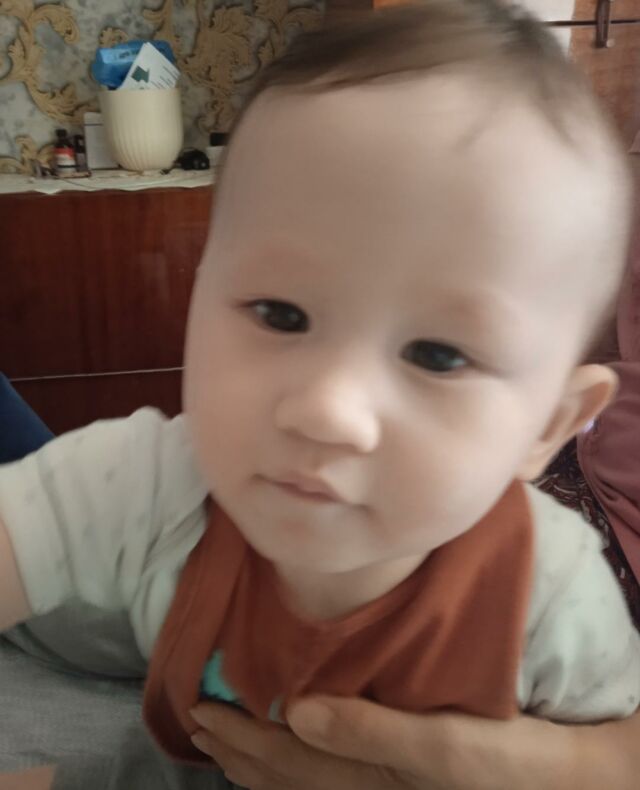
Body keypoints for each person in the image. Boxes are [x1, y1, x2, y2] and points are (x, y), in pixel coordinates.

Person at [1, 1, 639, 787]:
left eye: (438, 355)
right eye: (281, 313)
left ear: (547, 425)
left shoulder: (552, 599)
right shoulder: (151, 482)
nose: (327, 409)